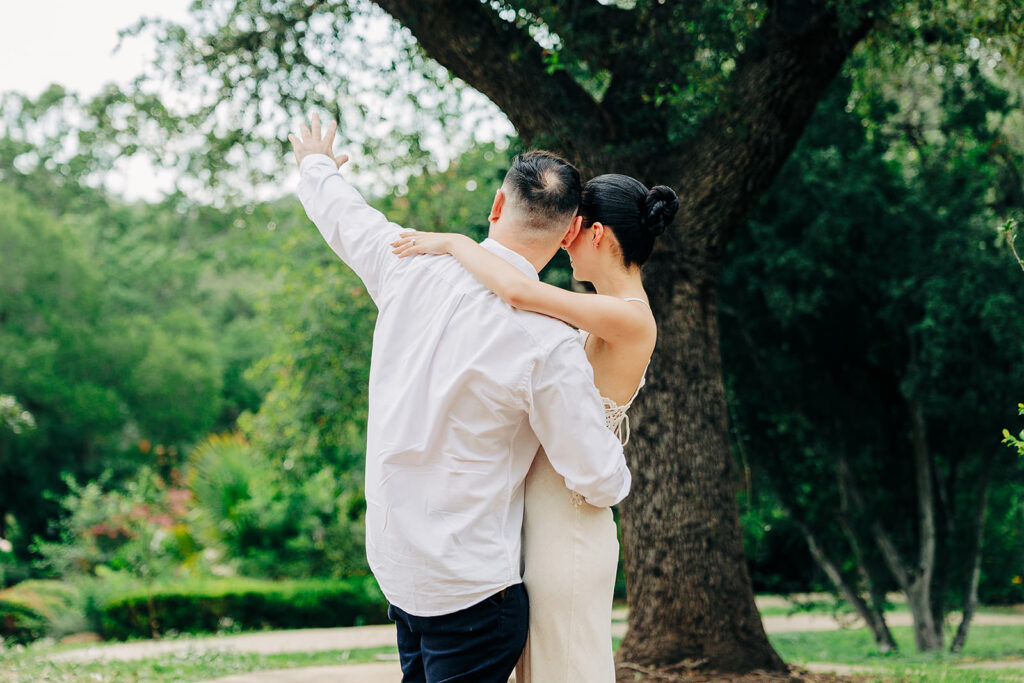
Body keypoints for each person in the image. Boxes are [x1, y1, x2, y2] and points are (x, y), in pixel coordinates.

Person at [287, 114, 631, 683]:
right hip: (472, 589)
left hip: (398, 567)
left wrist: (317, 164)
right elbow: (597, 478)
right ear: (569, 233)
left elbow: (345, 217)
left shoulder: (410, 265)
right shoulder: (549, 342)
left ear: (498, 205)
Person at [391, 173, 679, 682]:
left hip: (569, 519)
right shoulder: (602, 310)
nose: (561, 238)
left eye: (572, 226)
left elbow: (519, 292)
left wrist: (456, 241)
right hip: (537, 512)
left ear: (595, 234)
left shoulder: (630, 316)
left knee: (564, 666)